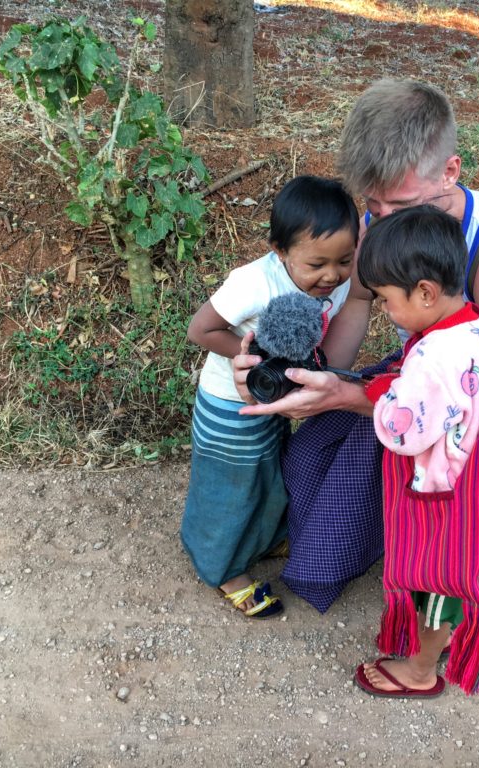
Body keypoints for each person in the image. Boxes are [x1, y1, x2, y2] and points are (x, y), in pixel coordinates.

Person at [237, 79, 479, 612]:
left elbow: (475, 405)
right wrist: (316, 384)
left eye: (401, 204)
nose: (382, 222)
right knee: (314, 444)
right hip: (425, 362)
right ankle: (321, 537)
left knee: (373, 450)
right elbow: (358, 302)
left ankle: (331, 566)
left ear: (450, 172)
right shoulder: (382, 217)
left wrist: (351, 398)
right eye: (373, 206)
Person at [351, 205, 479, 698]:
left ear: (425, 292)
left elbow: (402, 431)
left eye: (387, 300)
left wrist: (380, 396)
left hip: (453, 510)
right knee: (455, 584)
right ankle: (443, 635)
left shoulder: (431, 357)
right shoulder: (473, 326)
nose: (386, 310)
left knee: (437, 587)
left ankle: (420, 670)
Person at [180, 175, 358, 618]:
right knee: (230, 488)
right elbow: (200, 329)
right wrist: (252, 354)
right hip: (229, 407)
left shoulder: (333, 283)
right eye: (317, 264)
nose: (331, 276)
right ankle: (223, 568)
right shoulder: (254, 283)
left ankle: (259, 538)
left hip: (272, 403)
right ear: (280, 250)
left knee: (268, 473)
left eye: (345, 260)